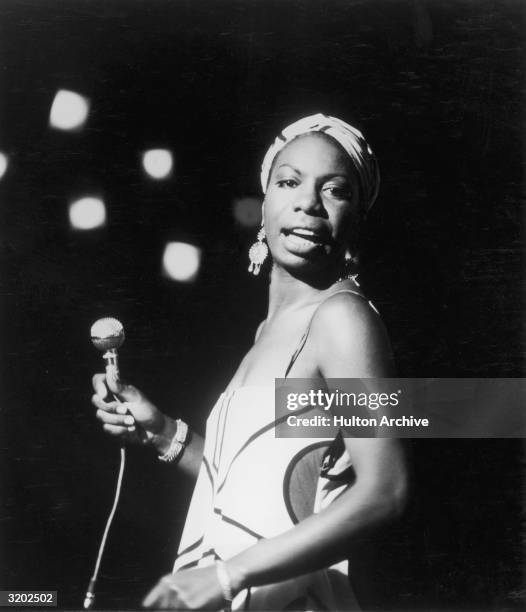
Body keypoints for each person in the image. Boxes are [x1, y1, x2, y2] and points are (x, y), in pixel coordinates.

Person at [91, 113, 408, 611]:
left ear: (357, 218)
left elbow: (384, 489)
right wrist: (162, 434)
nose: (308, 202)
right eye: (289, 181)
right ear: (264, 207)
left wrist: (227, 574)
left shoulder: (341, 319)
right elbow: (260, 493)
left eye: (336, 190)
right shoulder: (266, 334)